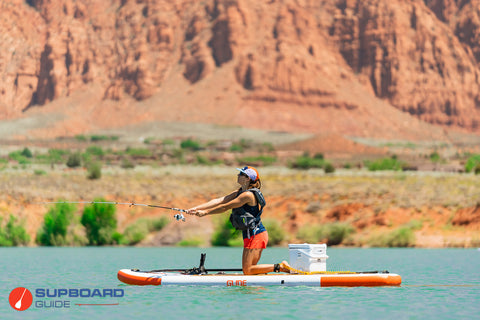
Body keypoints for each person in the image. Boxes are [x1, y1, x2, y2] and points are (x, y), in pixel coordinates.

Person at [186, 166, 290, 275]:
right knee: (250, 270)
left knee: (248, 270)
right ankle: (263, 282)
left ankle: (281, 267)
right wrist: (197, 208)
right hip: (251, 235)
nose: (238, 175)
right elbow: (219, 200)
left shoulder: (247, 195)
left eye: (241, 174)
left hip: (256, 235)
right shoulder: (240, 192)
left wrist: (205, 213)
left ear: (248, 178)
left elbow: (225, 207)